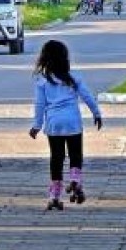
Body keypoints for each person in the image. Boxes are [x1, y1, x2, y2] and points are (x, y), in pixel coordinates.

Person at [29, 40, 103, 210]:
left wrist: (36, 125)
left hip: (54, 124)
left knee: (57, 158)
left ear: (44, 59)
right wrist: (96, 113)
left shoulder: (42, 82)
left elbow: (40, 106)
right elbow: (87, 96)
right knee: (76, 154)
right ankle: (75, 180)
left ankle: (54, 195)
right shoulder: (74, 78)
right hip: (73, 122)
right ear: (65, 58)